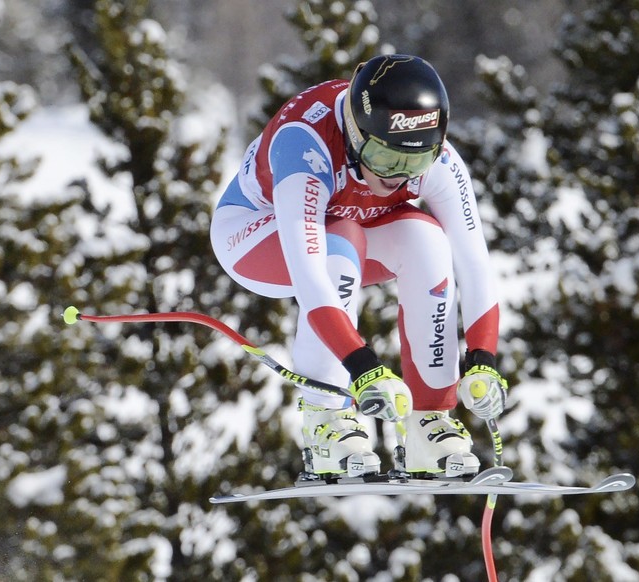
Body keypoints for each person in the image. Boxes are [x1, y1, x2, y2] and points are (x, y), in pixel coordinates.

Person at [210, 54, 507, 479]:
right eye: (387, 160)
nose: (399, 179)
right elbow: (311, 278)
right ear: (354, 132)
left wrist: (482, 359)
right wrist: (363, 366)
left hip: (349, 227)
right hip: (255, 236)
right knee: (341, 237)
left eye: (417, 162)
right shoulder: (305, 143)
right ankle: (326, 421)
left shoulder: (436, 156)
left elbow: (474, 261)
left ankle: (430, 424)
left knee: (427, 239)